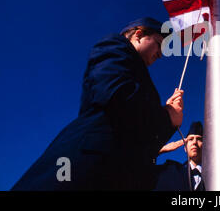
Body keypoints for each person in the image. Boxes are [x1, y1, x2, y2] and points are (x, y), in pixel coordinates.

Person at [12, 17, 184, 190]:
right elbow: (117, 95)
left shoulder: (136, 73)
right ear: (138, 34)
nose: (161, 54)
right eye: (159, 44)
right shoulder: (115, 46)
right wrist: (166, 115)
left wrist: (168, 119)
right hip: (86, 166)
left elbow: (140, 137)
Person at [154, 121, 205, 191]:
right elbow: (140, 172)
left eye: (199, 139)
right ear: (185, 148)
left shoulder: (218, 174)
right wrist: (160, 150)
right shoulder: (170, 170)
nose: (194, 142)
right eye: (190, 139)